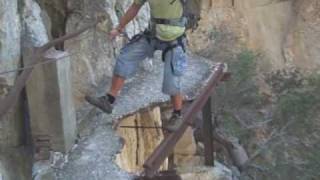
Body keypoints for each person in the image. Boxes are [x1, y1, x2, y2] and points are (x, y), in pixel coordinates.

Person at [85, 0, 188, 132]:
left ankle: (177, 114)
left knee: (172, 79)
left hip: (175, 39)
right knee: (126, 57)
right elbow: (134, 8)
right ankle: (108, 100)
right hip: (153, 35)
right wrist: (119, 28)